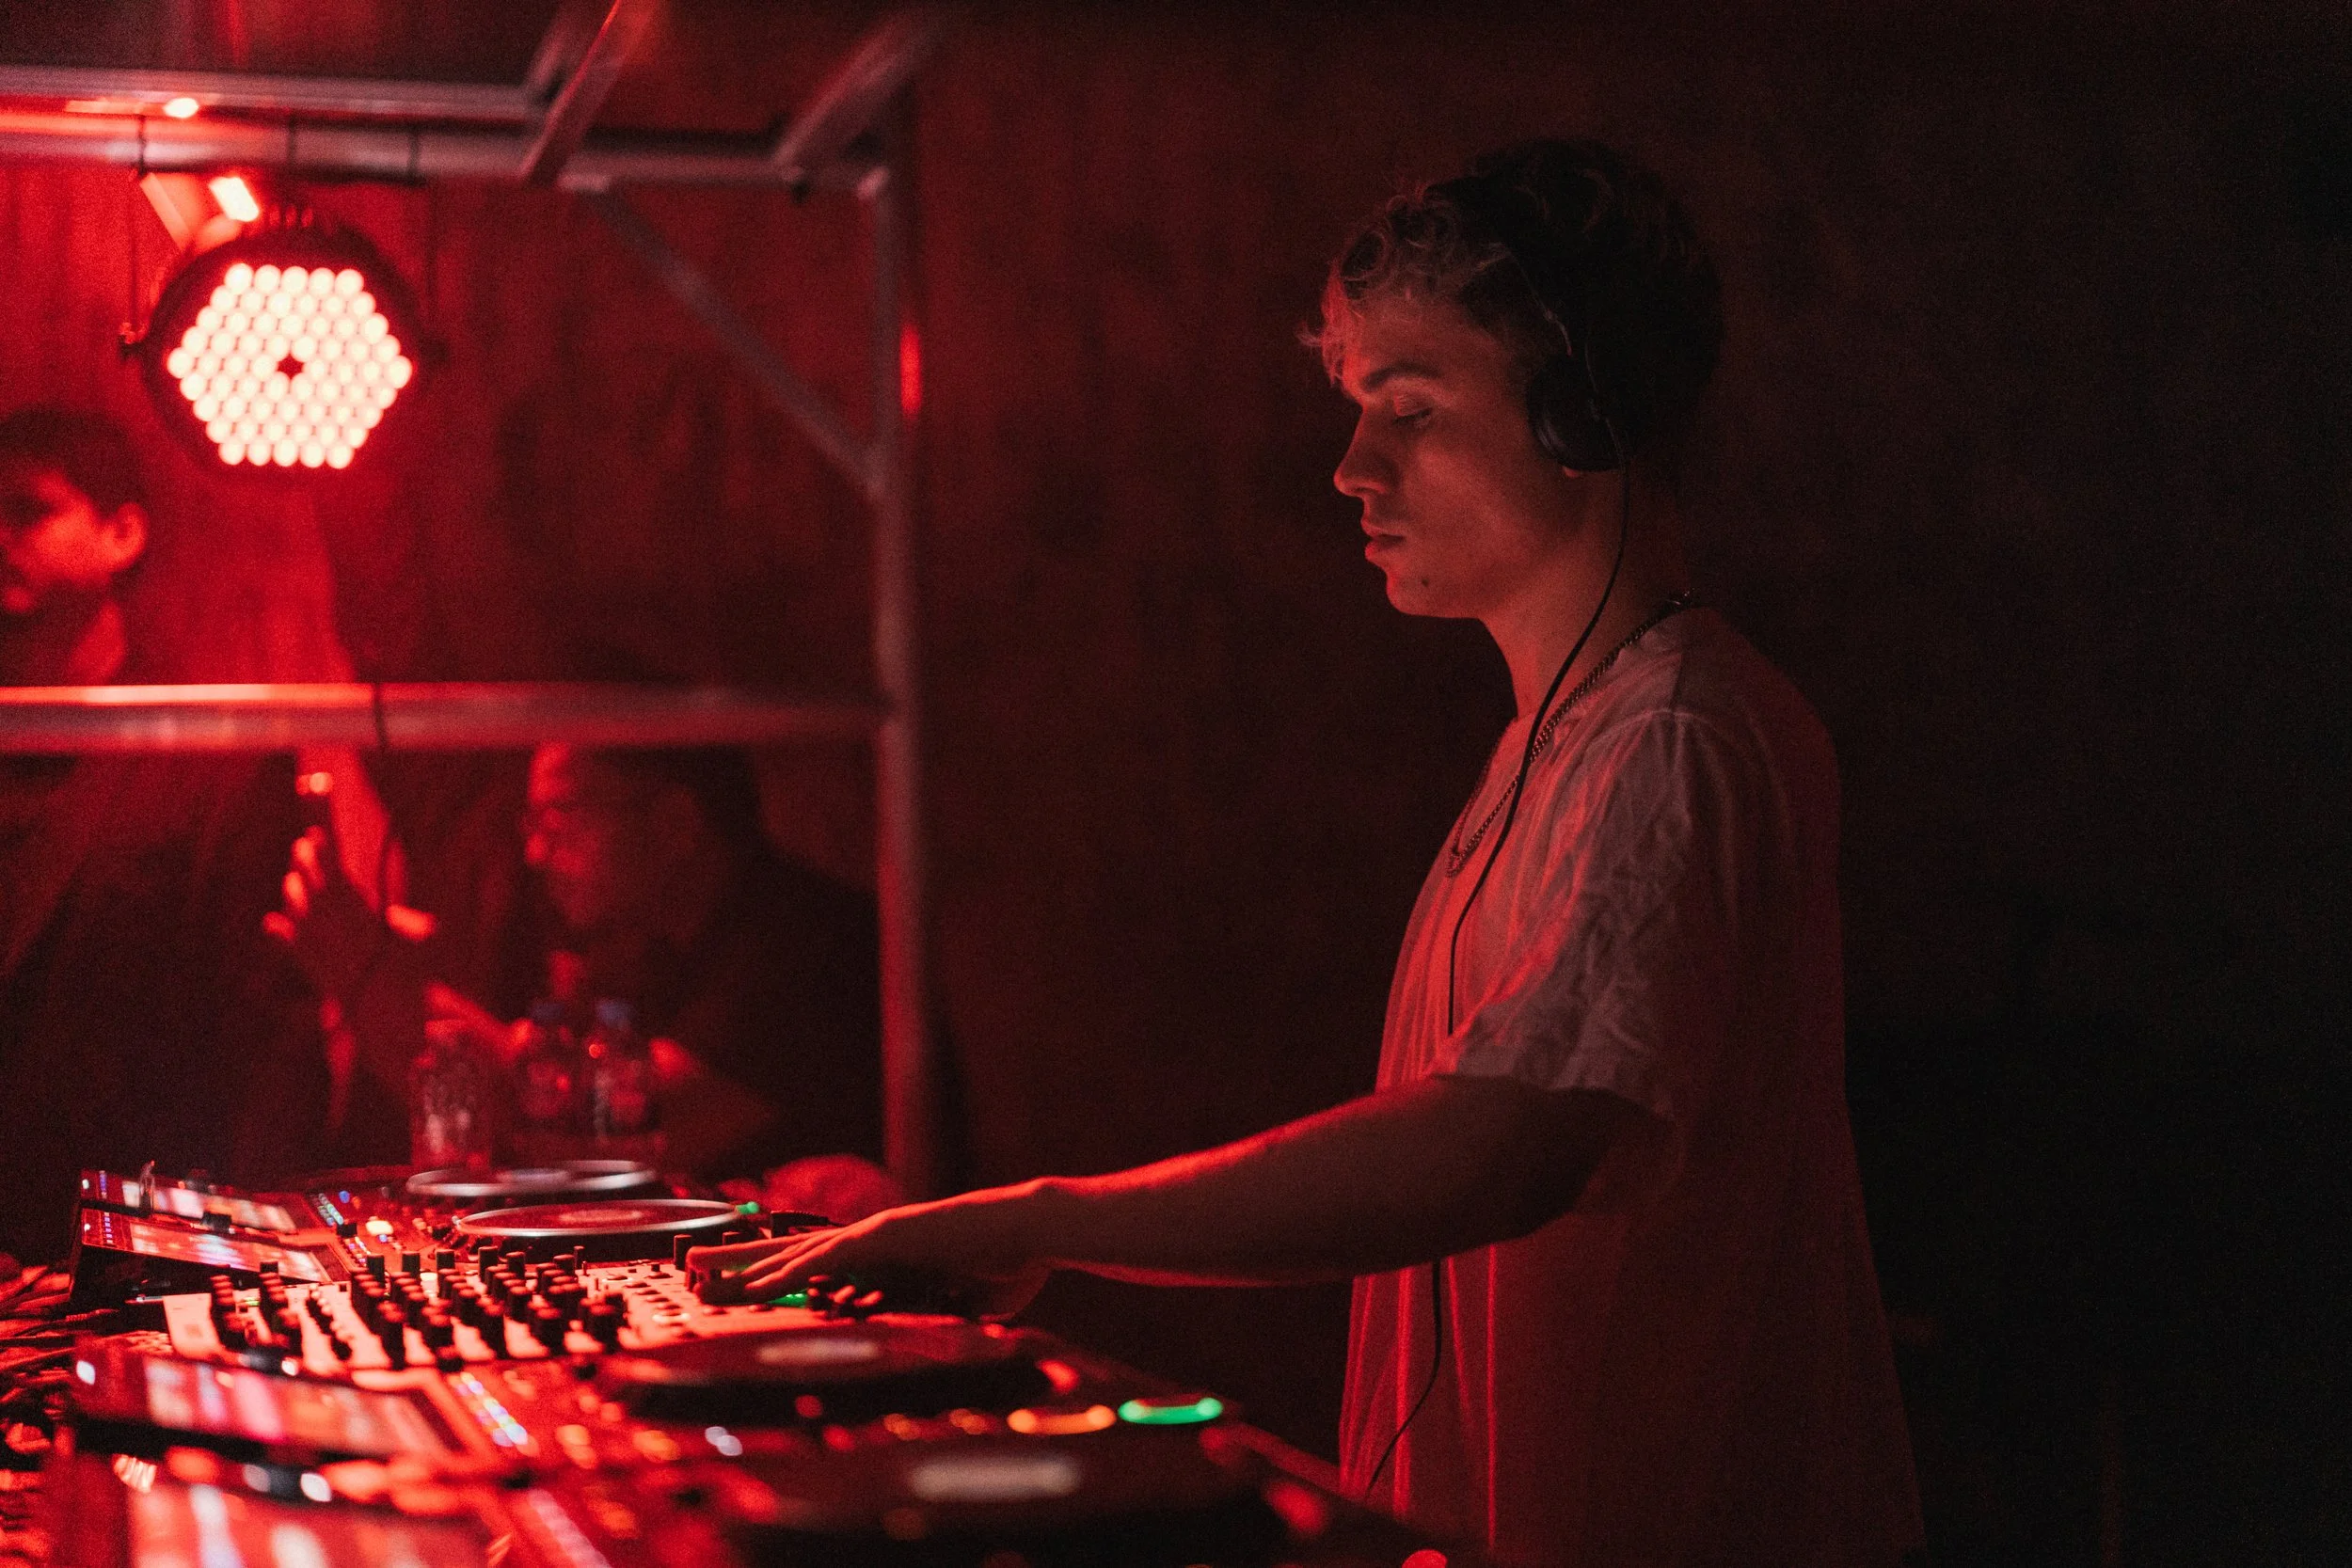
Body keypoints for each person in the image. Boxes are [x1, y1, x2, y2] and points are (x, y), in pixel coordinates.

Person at [695, 140, 1924, 1566]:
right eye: (1358, 412)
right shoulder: (1563, 739)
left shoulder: (1677, 738)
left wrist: (1038, 1213)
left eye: (1409, 409)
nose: (1353, 468)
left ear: (1583, 416)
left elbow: (1504, 1140)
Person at [272, 742, 890, 1197]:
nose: (537, 853)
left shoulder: (801, 945)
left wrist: (370, 972)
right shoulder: (643, 943)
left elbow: (596, 1131)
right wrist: (389, 979)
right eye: (531, 823)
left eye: (560, 818)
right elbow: (521, 1085)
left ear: (675, 824)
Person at [0, 406, 320, 1263]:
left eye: (29, 510)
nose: (1, 536)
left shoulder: (211, 754)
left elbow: (263, 1045)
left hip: (131, 1258)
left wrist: (232, 1264)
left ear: (123, 532)